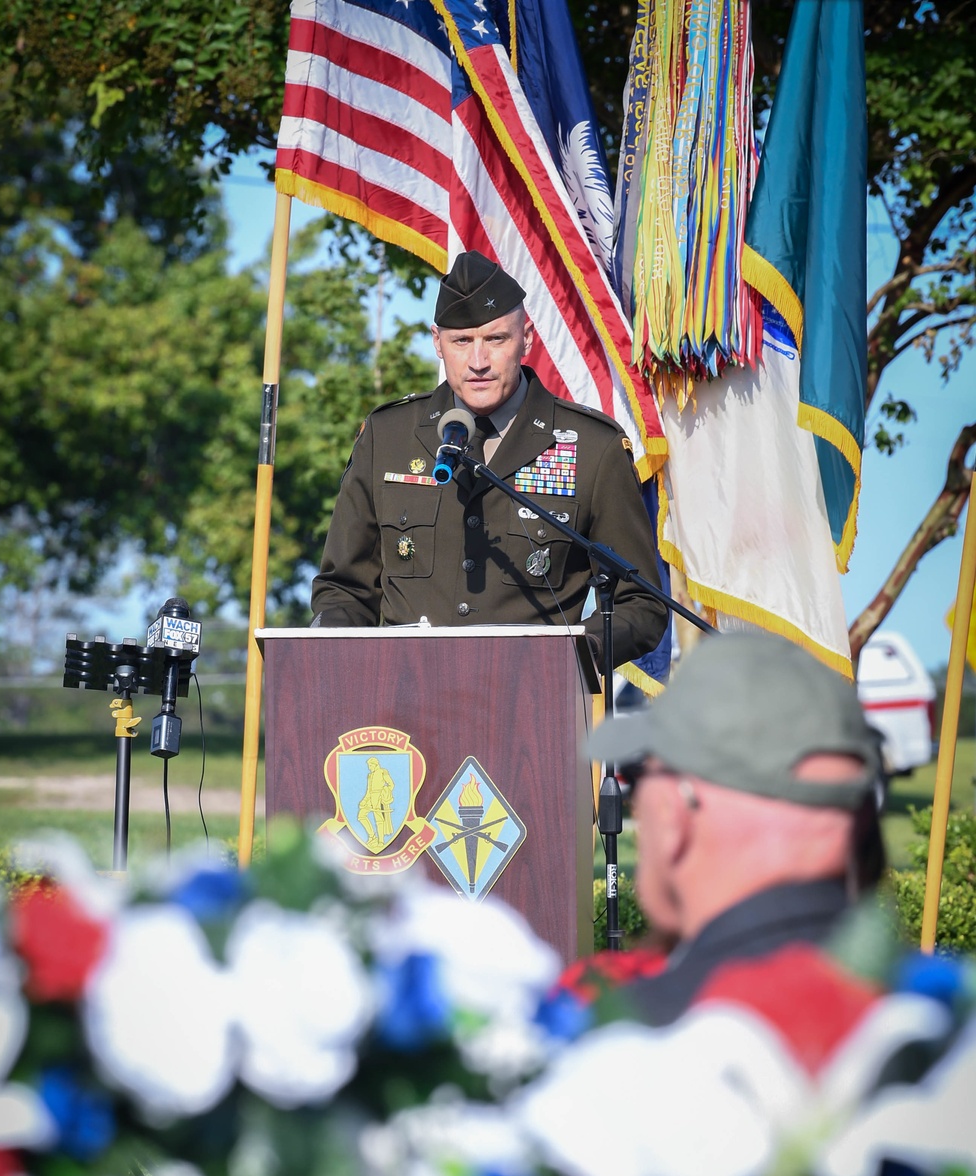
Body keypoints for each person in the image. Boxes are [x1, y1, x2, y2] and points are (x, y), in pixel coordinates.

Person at [310, 251, 668, 666]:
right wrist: (329, 656)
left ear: (527, 338)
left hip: (531, 707)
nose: (478, 362)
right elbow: (345, 589)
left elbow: (642, 603)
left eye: (496, 339)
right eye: (462, 341)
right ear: (437, 342)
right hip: (405, 703)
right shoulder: (388, 436)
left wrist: (569, 659)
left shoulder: (592, 447)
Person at [587, 632, 884, 1025]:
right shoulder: (952, 1024)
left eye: (639, 777)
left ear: (674, 815)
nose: (635, 802)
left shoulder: (621, 1051)